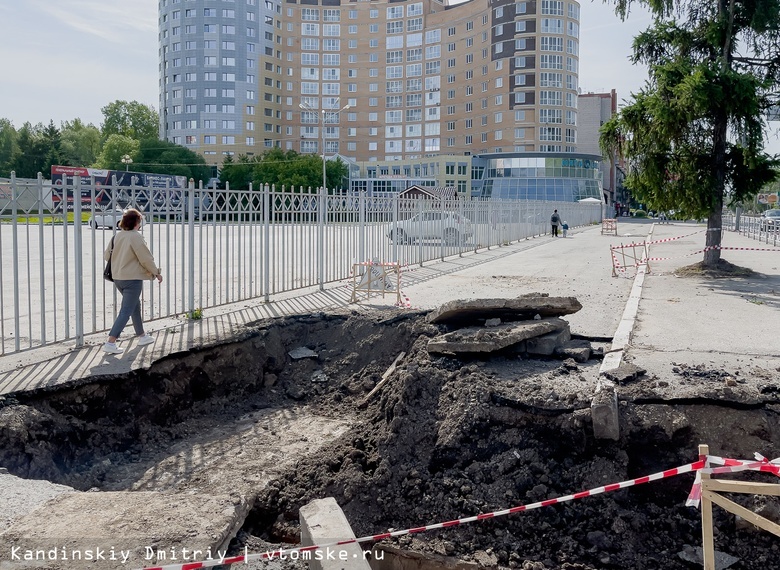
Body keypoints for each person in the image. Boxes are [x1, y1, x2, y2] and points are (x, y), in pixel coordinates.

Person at [103, 209, 163, 354]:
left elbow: (107, 256)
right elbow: (145, 258)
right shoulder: (135, 237)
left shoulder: (117, 237)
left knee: (134, 306)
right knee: (126, 311)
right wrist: (156, 273)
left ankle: (142, 336)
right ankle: (111, 342)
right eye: (140, 221)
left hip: (118, 278)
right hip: (132, 279)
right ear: (137, 222)